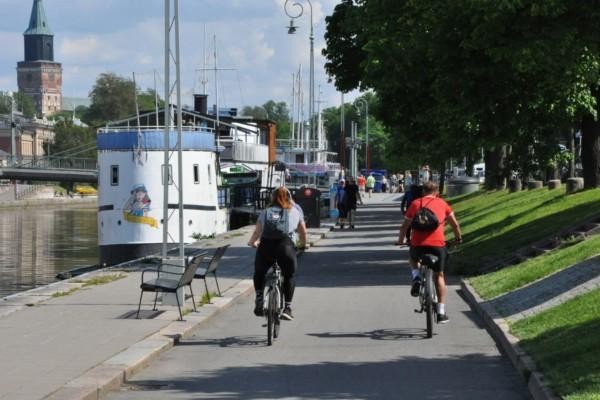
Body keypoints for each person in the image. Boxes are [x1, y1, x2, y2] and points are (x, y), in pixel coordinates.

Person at [397, 181, 462, 324]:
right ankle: (441, 312)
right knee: (439, 275)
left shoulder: (415, 204)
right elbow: (454, 224)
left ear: (422, 192)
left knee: (413, 259)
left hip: (418, 244)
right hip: (437, 245)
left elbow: (404, 226)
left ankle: (416, 278)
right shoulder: (443, 204)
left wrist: (401, 241)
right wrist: (458, 238)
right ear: (436, 192)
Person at [247, 187, 308, 321]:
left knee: (259, 272)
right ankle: (287, 307)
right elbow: (303, 231)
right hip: (285, 247)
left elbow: (257, 232)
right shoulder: (295, 211)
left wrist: (252, 242)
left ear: (272, 198)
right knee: (289, 275)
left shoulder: (266, 212)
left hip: (266, 247)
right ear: (289, 197)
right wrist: (303, 245)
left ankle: (259, 298)